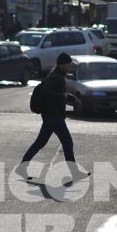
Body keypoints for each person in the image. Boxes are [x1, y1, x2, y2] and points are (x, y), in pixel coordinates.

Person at [20, 52, 85, 180]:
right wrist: (66, 97)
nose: (71, 66)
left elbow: (57, 93)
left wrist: (72, 98)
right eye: (69, 64)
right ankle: (75, 173)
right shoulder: (57, 77)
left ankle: (22, 168)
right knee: (67, 143)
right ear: (63, 64)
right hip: (54, 116)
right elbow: (48, 93)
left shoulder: (56, 74)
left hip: (50, 116)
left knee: (39, 143)